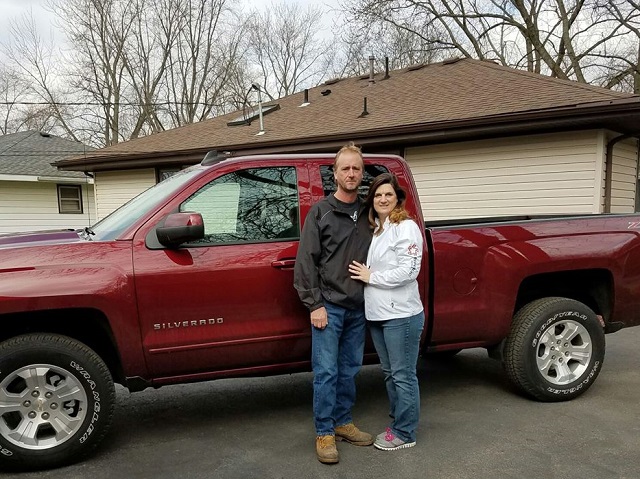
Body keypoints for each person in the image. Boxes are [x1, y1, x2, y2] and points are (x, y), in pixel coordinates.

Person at [293, 142, 374, 464]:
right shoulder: (321, 212)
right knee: (326, 372)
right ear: (335, 173)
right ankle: (324, 432)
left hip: (359, 307)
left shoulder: (370, 213)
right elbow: (305, 263)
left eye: (356, 168)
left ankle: (343, 423)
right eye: (345, 168)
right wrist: (314, 304)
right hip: (329, 306)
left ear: (362, 173)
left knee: (349, 370)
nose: (351, 173)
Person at [348, 172, 425, 451]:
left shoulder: (405, 227)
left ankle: (405, 432)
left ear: (398, 199)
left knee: (403, 375)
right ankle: (398, 421)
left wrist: (372, 277)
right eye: (378, 195)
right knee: (391, 373)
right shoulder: (378, 228)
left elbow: (410, 270)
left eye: (388, 195)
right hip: (379, 315)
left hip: (401, 315)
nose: (382, 199)